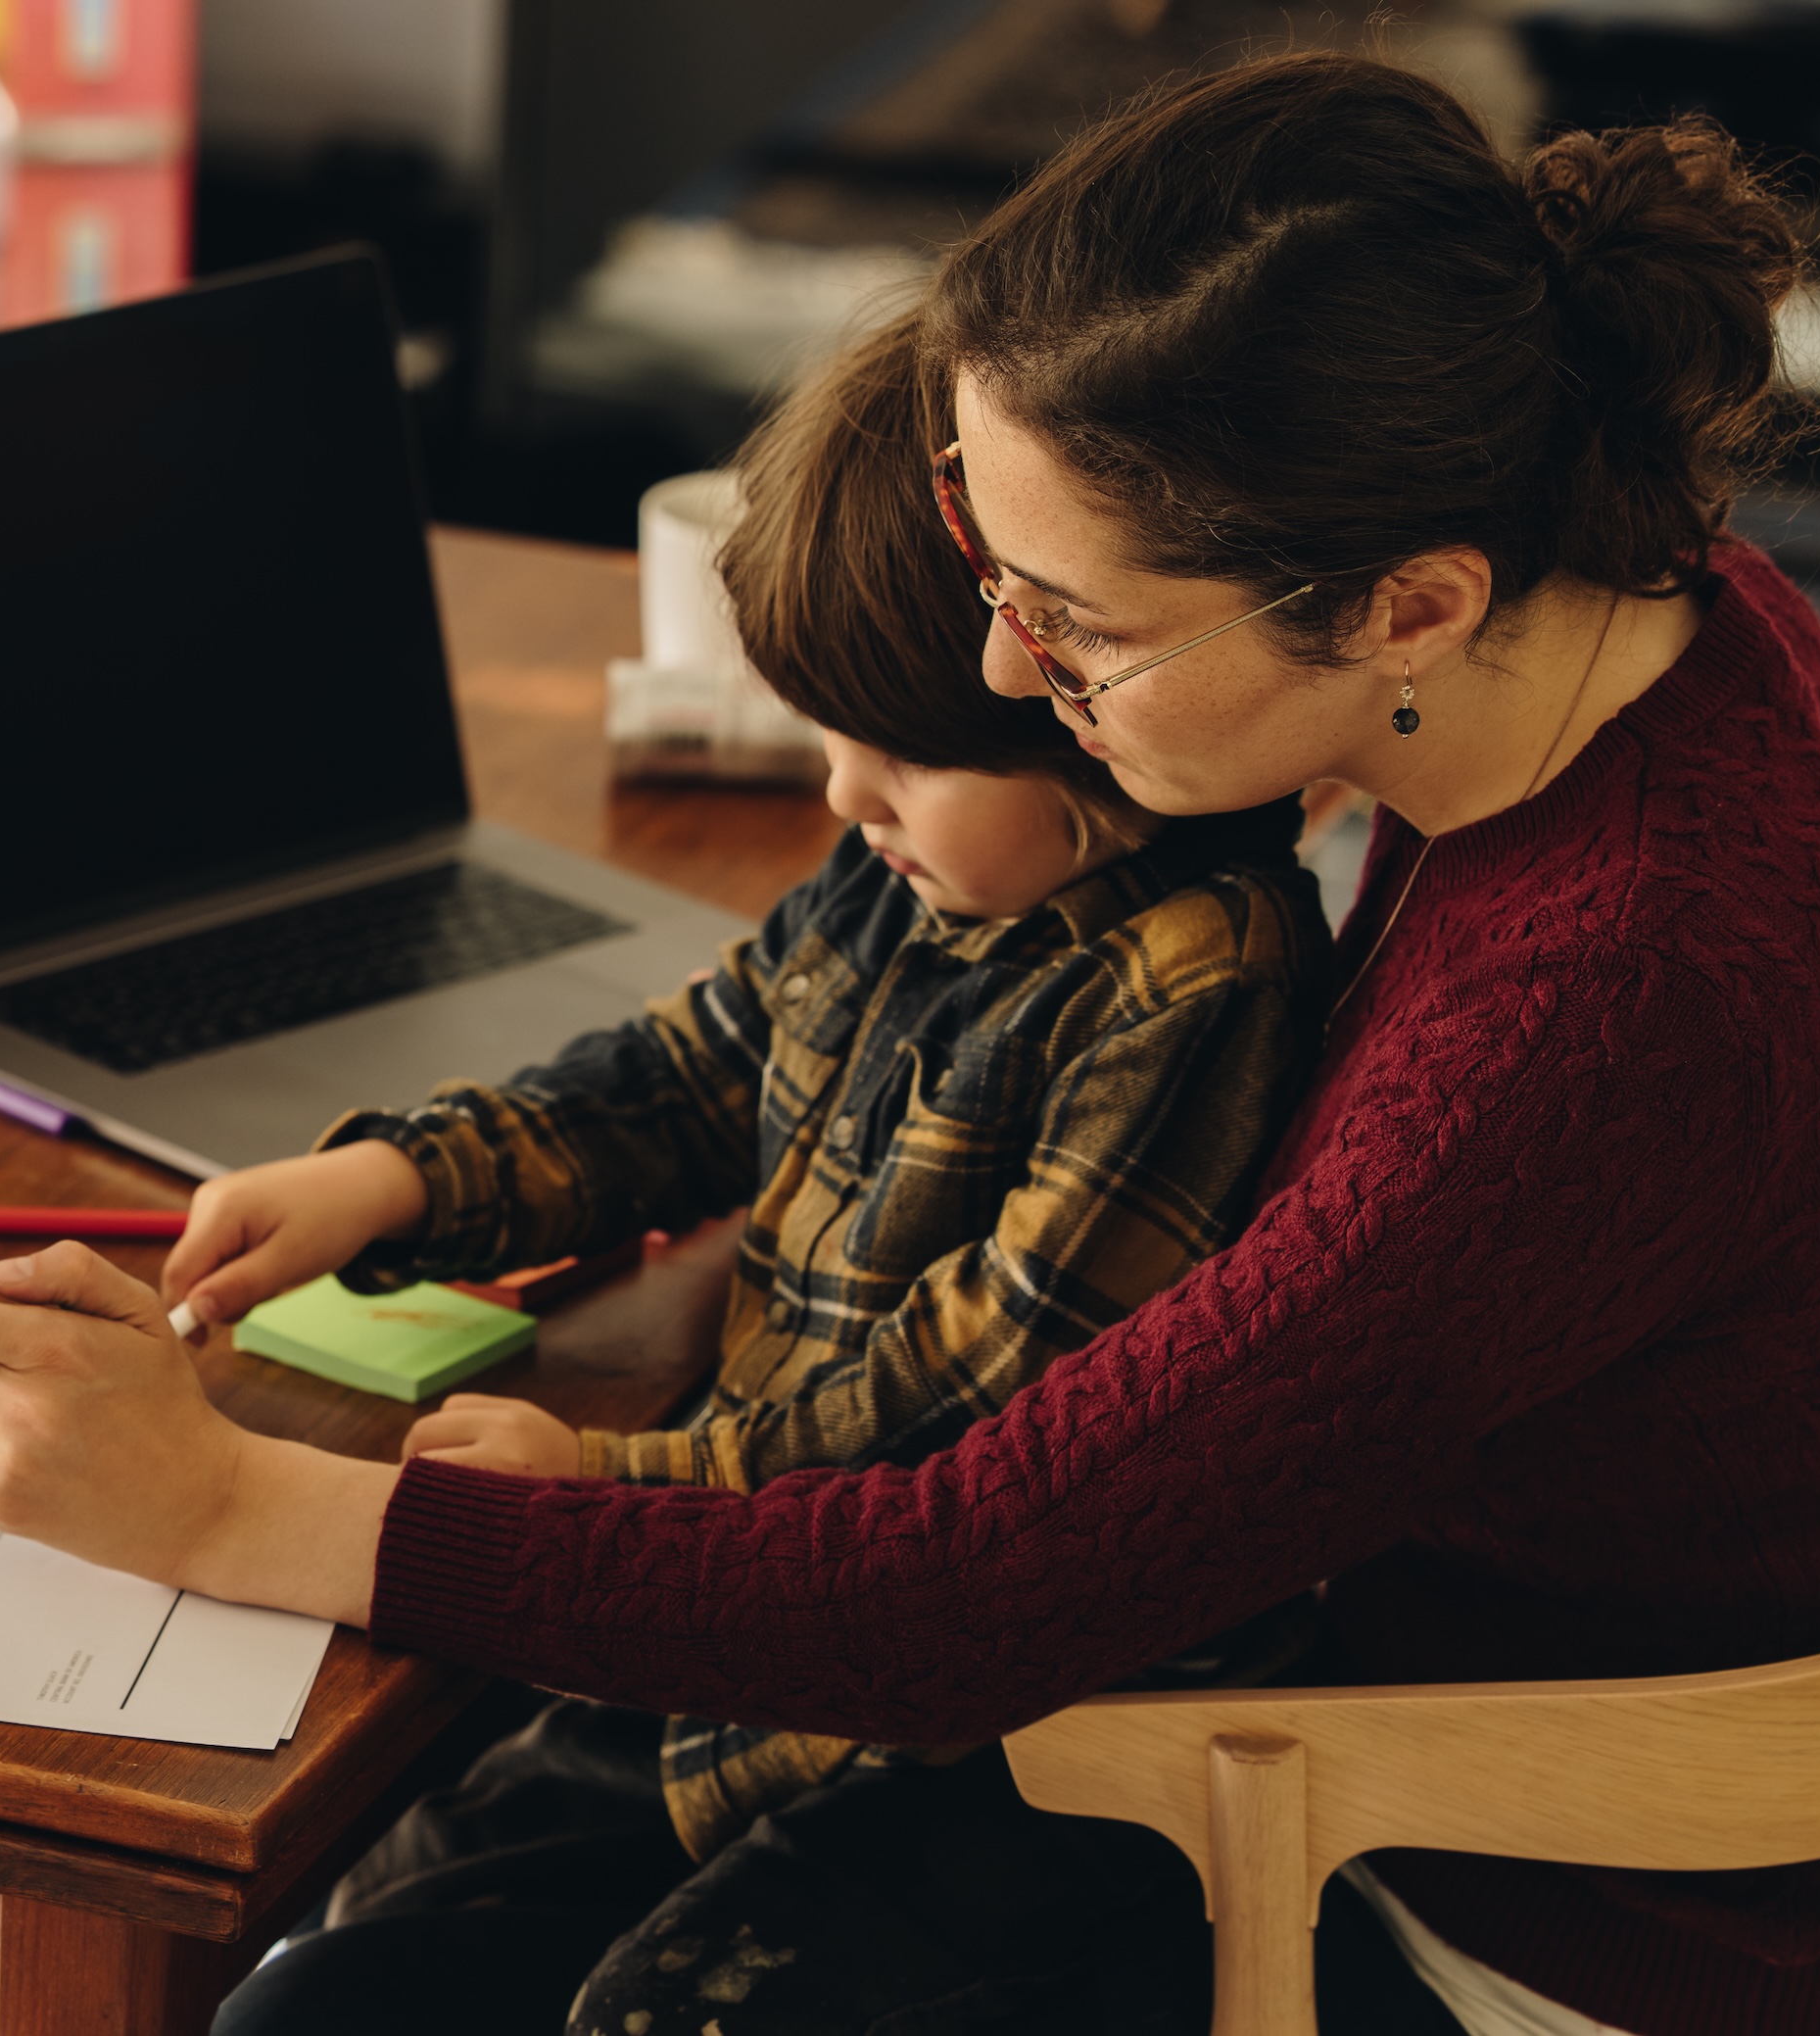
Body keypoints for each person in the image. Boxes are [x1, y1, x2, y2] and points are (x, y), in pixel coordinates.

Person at [0, 52, 1820, 2036]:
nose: (1004, 676)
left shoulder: (1614, 1004)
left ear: (1407, 603)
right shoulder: (1606, 602)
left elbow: (958, 1592)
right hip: (1473, 1664)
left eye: (1080, 624)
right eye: (978, 542)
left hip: (1602, 1900)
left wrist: (229, 1502)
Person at [168, 307, 1334, 1966]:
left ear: (1071, 702)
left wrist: (609, 1480)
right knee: (342, 1959)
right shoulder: (913, 867)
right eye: (828, 736)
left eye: (902, 754)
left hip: (941, 1726)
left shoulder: (1202, 980)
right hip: (722, 1632)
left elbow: (973, 1394)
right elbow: (696, 1071)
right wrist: (400, 1175)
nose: (845, 798)